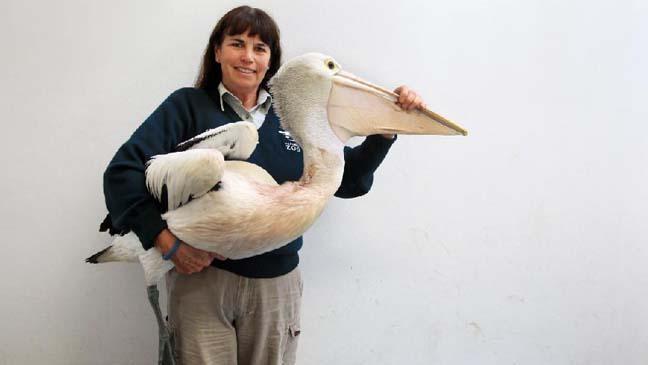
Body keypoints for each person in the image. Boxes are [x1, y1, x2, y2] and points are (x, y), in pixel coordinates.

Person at [102, 5, 426, 365]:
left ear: (271, 60)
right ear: (217, 51)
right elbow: (122, 173)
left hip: (275, 284)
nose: (248, 57)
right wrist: (167, 243)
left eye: (260, 48)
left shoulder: (294, 116)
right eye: (237, 44)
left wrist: (385, 130)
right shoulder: (187, 107)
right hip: (202, 284)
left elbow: (346, 181)